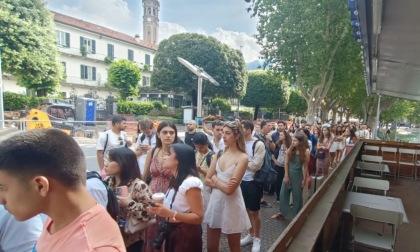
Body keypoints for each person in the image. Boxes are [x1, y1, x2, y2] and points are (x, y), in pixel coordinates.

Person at [0, 129, 125, 251]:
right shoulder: (59, 215)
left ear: (41, 186)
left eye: (3, 188)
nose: (1, 200)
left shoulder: (91, 246)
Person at [204, 121, 251, 252]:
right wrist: (218, 182)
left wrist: (214, 178)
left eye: (227, 133)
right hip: (216, 201)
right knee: (211, 247)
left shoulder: (242, 157)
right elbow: (206, 180)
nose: (223, 136)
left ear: (236, 136)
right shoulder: (219, 153)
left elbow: (229, 190)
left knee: (234, 246)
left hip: (232, 204)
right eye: (222, 132)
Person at [148, 144, 204, 252]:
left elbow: (198, 217)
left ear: (179, 159)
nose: (164, 157)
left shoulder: (191, 183)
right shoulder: (175, 178)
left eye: (168, 154)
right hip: (173, 231)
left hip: (185, 235)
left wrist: (170, 214)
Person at [106, 147, 154, 252]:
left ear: (123, 163)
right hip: (113, 235)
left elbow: (151, 213)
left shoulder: (139, 185)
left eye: (110, 160)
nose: (106, 164)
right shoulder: (109, 181)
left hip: (132, 239)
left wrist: (130, 204)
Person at [143, 121, 180, 252]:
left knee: (168, 229)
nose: (168, 135)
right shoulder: (153, 151)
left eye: (172, 132)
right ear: (158, 134)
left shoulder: (179, 154)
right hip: (152, 194)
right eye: (165, 132)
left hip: (170, 196)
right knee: (153, 229)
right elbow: (145, 175)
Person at [239, 120, 265, 252]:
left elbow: (256, 165)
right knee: (245, 210)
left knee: (254, 211)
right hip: (241, 181)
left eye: (241, 128)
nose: (238, 131)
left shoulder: (258, 144)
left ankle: (257, 238)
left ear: (248, 130)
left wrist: (240, 162)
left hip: (254, 182)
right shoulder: (240, 143)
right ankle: (250, 234)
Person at [279, 132, 310, 219]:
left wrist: (304, 180)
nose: (292, 142)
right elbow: (286, 163)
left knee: (297, 196)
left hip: (298, 174)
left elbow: (305, 166)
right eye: (292, 140)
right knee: (283, 193)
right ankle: (284, 212)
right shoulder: (290, 149)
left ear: (300, 142)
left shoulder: (306, 151)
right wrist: (286, 175)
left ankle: (296, 215)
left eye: (295, 141)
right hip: (289, 173)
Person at [193, 132, 214, 210]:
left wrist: (200, 169)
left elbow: (214, 175)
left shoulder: (212, 156)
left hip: (207, 189)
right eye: (196, 147)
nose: (199, 149)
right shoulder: (195, 153)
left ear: (207, 144)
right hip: (196, 186)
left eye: (201, 147)